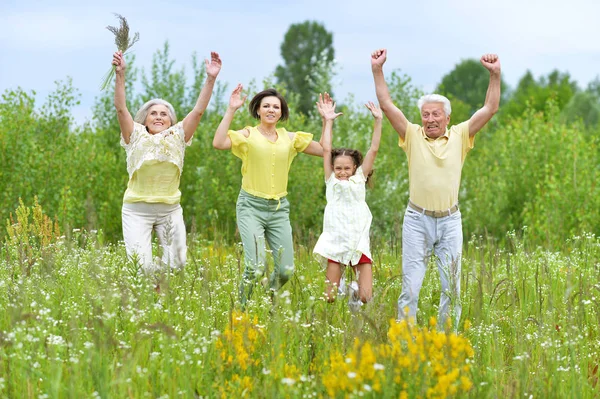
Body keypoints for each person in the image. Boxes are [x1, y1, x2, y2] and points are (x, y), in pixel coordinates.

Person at [371, 48, 501, 329]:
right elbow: (386, 104)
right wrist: (377, 70)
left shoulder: (461, 135)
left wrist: (495, 75)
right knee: (411, 285)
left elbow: (490, 108)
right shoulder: (412, 135)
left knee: (451, 287)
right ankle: (405, 339)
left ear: (447, 118)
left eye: (436, 115)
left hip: (450, 221)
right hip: (417, 221)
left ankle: (446, 340)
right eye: (426, 114)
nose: (430, 119)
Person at [212, 85, 324, 307]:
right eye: (266, 106)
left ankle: (266, 296)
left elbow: (324, 149)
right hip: (251, 207)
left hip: (279, 209)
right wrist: (231, 109)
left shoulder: (290, 138)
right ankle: (241, 309)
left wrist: (327, 120)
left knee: (286, 270)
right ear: (258, 110)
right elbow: (218, 143)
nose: (271, 110)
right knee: (255, 268)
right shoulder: (247, 135)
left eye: (276, 106)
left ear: (282, 112)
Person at [113, 49, 222, 271]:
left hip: (169, 209)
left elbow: (198, 111)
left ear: (171, 120)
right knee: (141, 266)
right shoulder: (134, 135)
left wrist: (210, 78)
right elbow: (121, 109)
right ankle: (148, 294)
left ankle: (161, 292)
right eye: (154, 113)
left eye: (164, 114)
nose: (159, 117)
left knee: (177, 265)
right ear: (145, 118)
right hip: (137, 209)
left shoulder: (179, 136)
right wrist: (120, 74)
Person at [313, 93, 382, 312]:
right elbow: (326, 149)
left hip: (358, 242)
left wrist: (378, 120)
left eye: (346, 168)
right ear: (333, 169)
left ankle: (354, 290)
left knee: (365, 297)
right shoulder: (331, 180)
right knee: (330, 297)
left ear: (354, 168)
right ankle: (342, 285)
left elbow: (374, 149)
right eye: (338, 167)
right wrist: (328, 122)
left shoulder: (359, 179)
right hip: (336, 242)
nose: (342, 172)